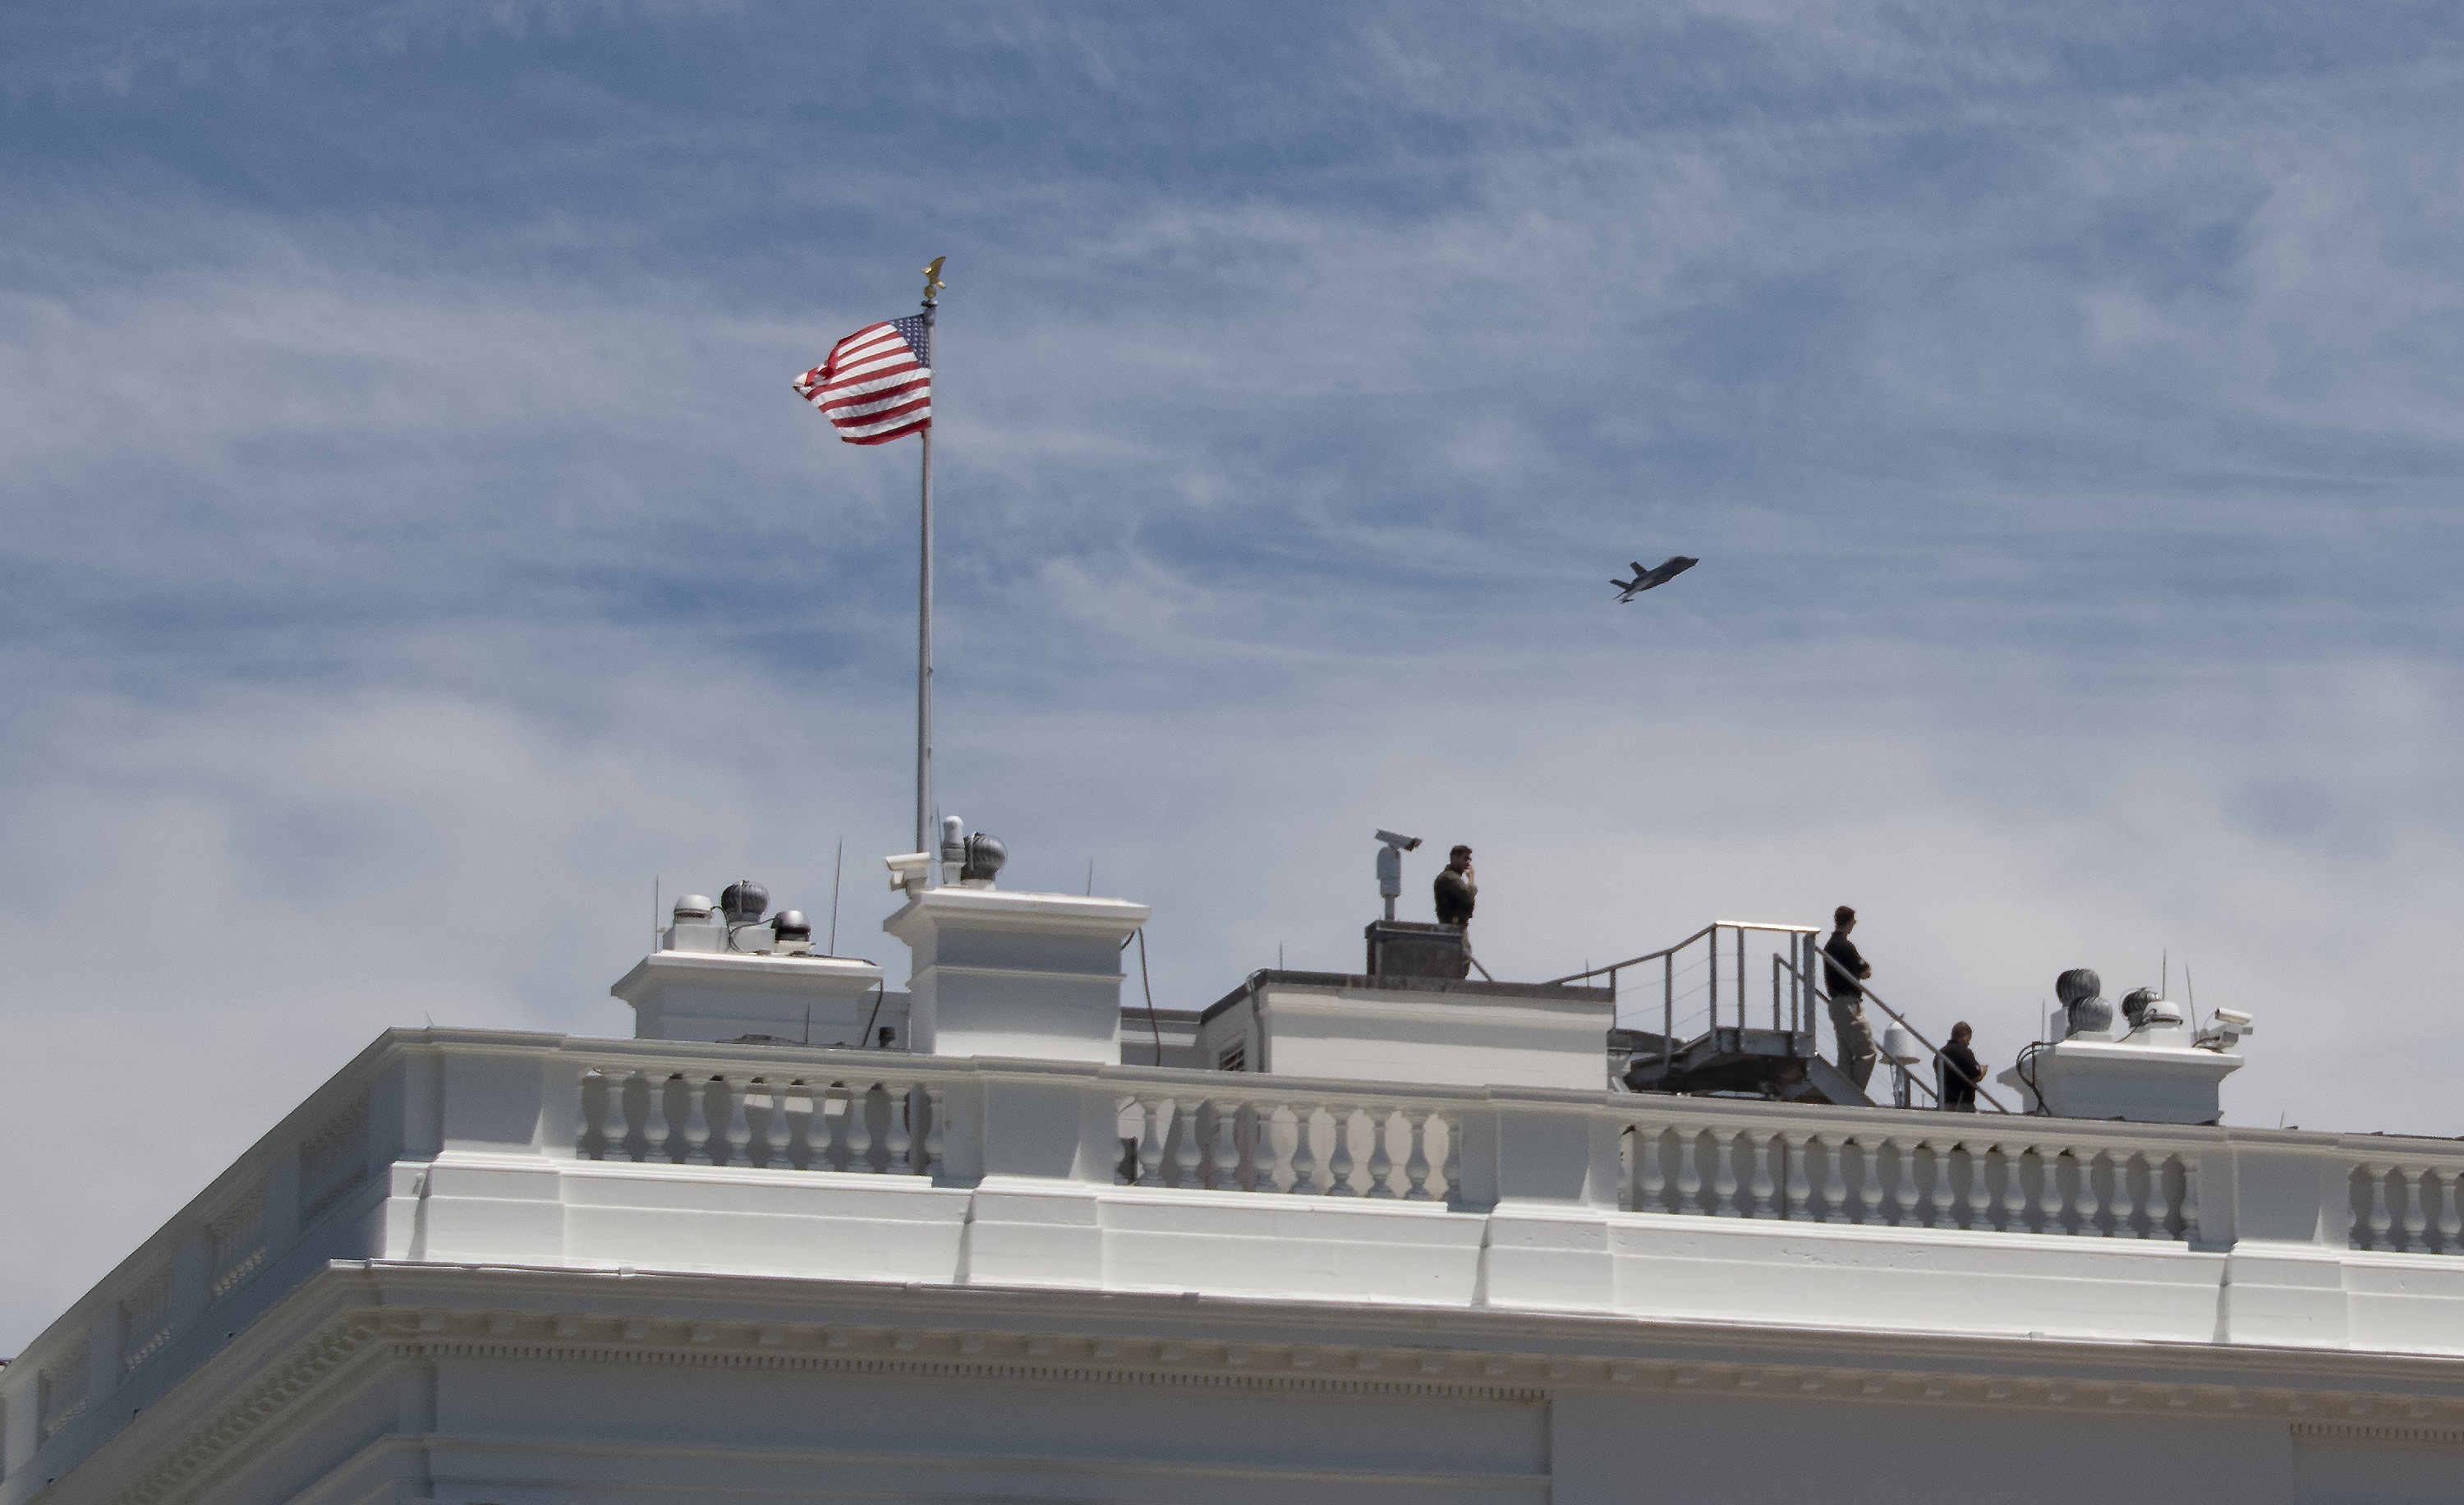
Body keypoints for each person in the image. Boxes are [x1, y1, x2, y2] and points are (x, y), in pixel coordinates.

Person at [1823, 904, 1878, 1090]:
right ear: (1849, 921)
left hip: (1836, 1004)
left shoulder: (1829, 946)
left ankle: (1843, 1090)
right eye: (1853, 920)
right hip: (1848, 1004)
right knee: (1868, 1053)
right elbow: (1865, 972)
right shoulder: (1845, 946)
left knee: (1845, 1055)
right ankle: (1853, 1092)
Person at [1938, 1021, 1985, 1111]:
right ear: (1964, 1036)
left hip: (1944, 1103)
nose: (1969, 1042)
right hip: (1962, 1104)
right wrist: (1982, 1070)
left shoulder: (1941, 1053)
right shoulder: (1964, 1052)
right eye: (1969, 1038)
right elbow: (1975, 1075)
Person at [1433, 845, 1477, 928]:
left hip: (1457, 927)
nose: (1468, 863)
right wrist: (1471, 879)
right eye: (1465, 859)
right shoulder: (1449, 877)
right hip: (1452, 926)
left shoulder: (1454, 877)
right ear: (1455, 858)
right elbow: (1467, 895)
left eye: (1469, 860)